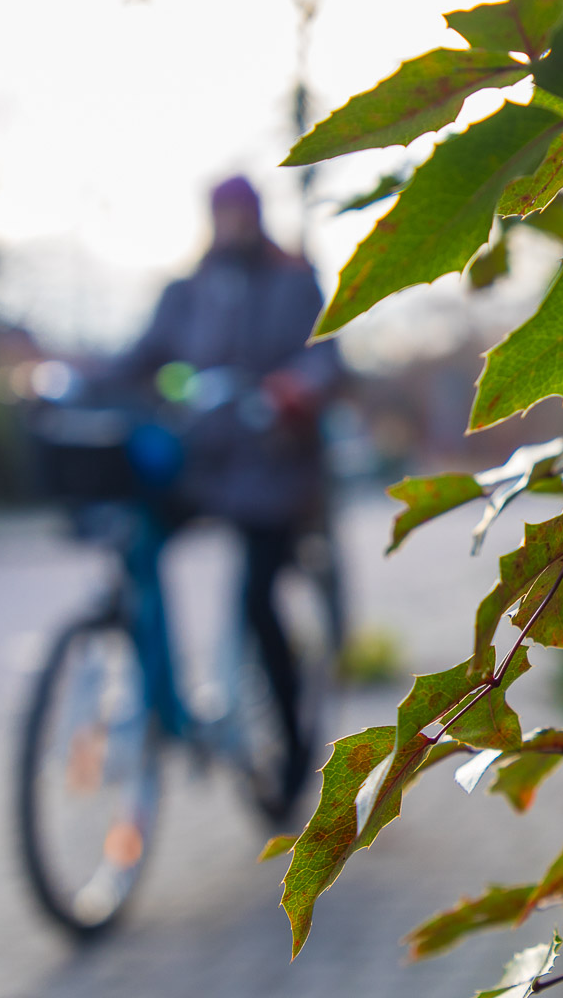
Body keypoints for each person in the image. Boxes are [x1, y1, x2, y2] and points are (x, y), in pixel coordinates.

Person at [114, 174, 341, 789]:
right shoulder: (187, 291)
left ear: (257, 215)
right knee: (135, 542)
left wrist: (296, 388)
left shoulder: (295, 283)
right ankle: (165, 699)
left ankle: (293, 750)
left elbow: (326, 355)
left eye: (242, 212)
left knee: (258, 598)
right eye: (223, 212)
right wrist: (70, 384)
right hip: (203, 464)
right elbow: (140, 356)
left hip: (273, 466)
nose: (233, 223)